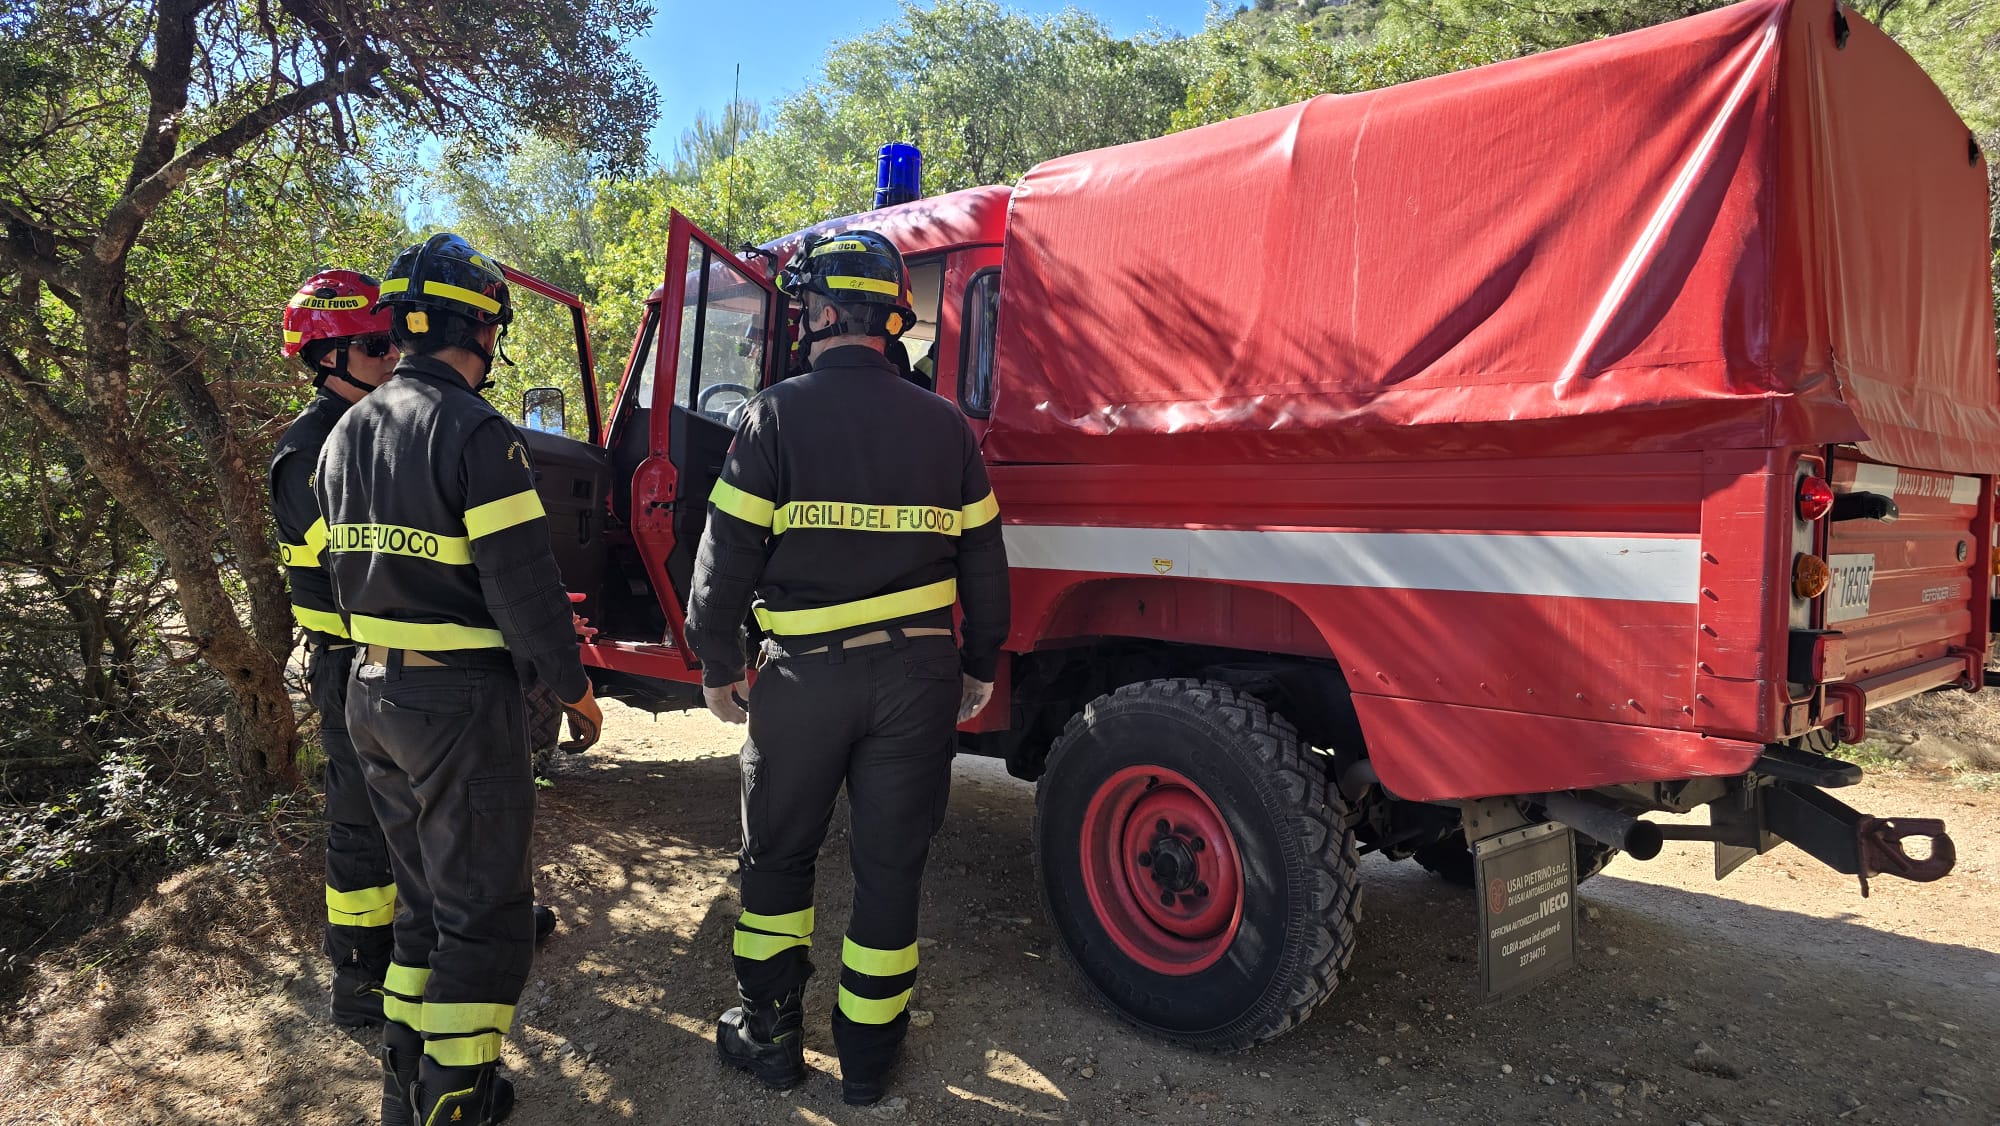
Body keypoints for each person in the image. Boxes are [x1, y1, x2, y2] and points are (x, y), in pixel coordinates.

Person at [685, 229, 1010, 1106]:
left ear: (821, 313)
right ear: (892, 320)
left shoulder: (774, 416)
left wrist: (719, 666)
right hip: (918, 679)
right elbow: (985, 562)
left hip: (803, 681)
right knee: (890, 866)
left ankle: (771, 1036)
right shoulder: (948, 427)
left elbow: (724, 565)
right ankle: (868, 1061)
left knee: (778, 860)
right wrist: (980, 662)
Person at [316, 232, 603, 1126]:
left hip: (371, 694)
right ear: (479, 329)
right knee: (485, 914)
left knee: (424, 908)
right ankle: (458, 1101)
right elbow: (526, 590)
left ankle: (407, 1085)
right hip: (455, 705)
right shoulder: (479, 433)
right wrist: (574, 687)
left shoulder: (347, 434)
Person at [270, 269, 402, 1028]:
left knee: (425, 810)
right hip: (350, 664)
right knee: (360, 825)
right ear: (327, 358)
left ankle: (437, 938)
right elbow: (361, 569)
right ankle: (359, 980)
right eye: (376, 345)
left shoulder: (372, 430)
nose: (391, 357)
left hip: (403, 660)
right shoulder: (307, 454)